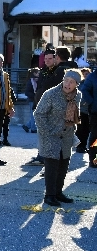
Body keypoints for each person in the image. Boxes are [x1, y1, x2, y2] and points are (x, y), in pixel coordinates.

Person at [35, 70, 82, 206]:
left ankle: (58, 192)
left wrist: (73, 129)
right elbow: (39, 114)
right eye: (66, 80)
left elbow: (75, 113)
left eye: (71, 82)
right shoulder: (51, 94)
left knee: (63, 165)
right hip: (51, 135)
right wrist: (47, 131)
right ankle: (49, 195)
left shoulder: (77, 95)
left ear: (76, 84)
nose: (68, 84)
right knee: (51, 167)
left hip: (67, 135)